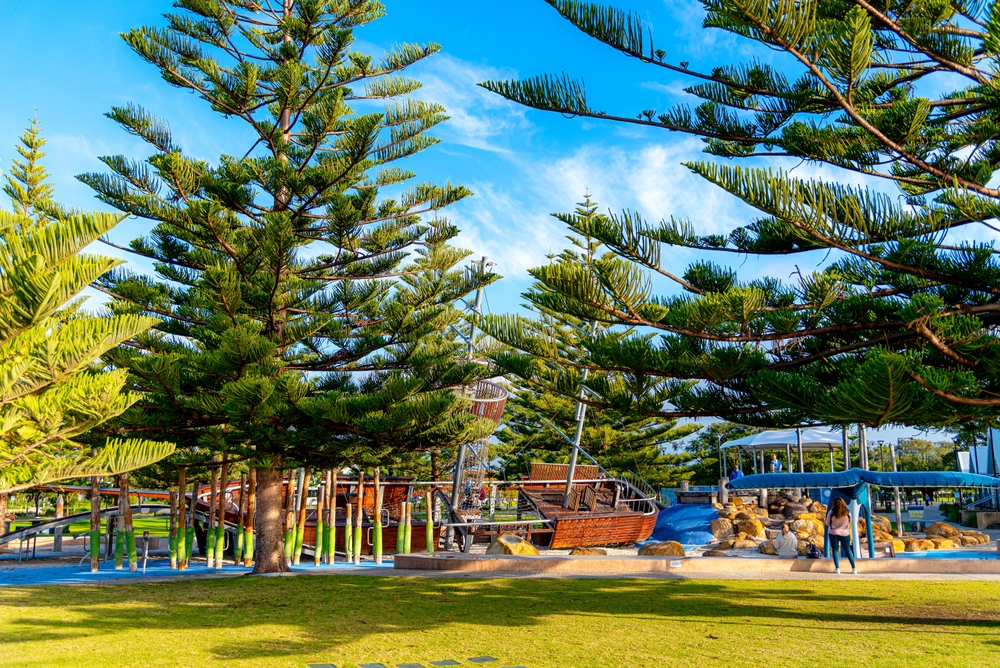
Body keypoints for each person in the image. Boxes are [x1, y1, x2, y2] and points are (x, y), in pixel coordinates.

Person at [825, 497, 857, 574]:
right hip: (845, 533)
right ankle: (854, 568)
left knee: (835, 550)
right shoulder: (847, 512)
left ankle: (837, 568)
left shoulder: (831, 512)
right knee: (848, 550)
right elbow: (850, 521)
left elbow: (827, 523)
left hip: (833, 533)